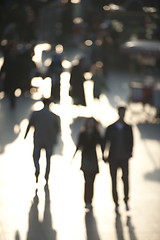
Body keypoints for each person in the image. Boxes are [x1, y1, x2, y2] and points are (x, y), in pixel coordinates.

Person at [102, 106, 133, 213]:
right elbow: (105, 141)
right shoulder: (111, 128)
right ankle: (116, 202)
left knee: (125, 179)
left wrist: (129, 153)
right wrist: (103, 155)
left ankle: (126, 200)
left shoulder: (128, 128)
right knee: (114, 180)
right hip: (113, 158)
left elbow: (131, 141)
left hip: (124, 158)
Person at [24, 98, 60, 183]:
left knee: (36, 157)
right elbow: (58, 129)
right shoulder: (54, 116)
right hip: (49, 140)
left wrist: (25, 135)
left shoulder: (36, 114)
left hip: (38, 139)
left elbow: (30, 125)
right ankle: (46, 176)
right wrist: (55, 138)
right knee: (48, 159)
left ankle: (37, 168)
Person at [73, 117, 102, 210]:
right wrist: (73, 157)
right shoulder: (83, 134)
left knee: (92, 182)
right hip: (85, 159)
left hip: (93, 159)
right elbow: (78, 145)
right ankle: (87, 201)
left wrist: (104, 156)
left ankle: (90, 200)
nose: (90, 124)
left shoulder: (96, 134)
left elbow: (101, 145)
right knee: (87, 181)